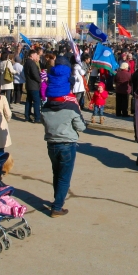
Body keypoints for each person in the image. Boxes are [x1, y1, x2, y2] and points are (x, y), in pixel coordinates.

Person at [40, 76, 87, 217]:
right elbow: (81, 126)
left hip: (51, 144)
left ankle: (57, 199)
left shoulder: (45, 107)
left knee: (57, 173)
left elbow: (44, 122)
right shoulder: (71, 107)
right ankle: (57, 206)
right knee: (64, 177)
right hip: (67, 144)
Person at [23, 49, 43, 123]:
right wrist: (40, 80)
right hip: (34, 85)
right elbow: (35, 74)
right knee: (36, 102)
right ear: (32, 55)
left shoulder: (26, 63)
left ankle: (27, 116)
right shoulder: (32, 63)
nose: (36, 56)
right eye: (35, 55)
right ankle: (37, 117)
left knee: (28, 101)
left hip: (28, 84)